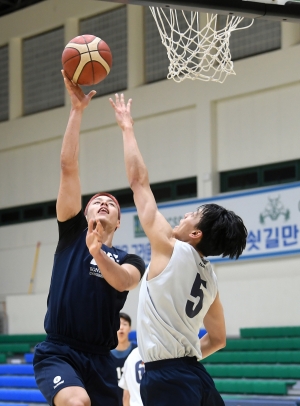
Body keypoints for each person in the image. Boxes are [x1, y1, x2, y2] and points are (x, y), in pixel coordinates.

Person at [110, 93, 248, 406]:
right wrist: (184, 358)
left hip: (167, 377)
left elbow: (138, 182)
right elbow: (219, 339)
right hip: (196, 377)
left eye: (191, 215)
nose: (184, 216)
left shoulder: (170, 248)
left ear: (196, 233)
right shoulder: (210, 278)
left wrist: (127, 127)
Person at [33, 75, 145, 406]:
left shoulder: (130, 259)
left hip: (101, 358)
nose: (104, 202)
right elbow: (68, 167)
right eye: (97, 200)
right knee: (77, 402)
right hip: (59, 350)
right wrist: (77, 111)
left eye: (111, 203)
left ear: (119, 220)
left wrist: (99, 253)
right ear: (84, 213)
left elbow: (124, 281)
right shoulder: (71, 234)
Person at [111, 312, 137, 406]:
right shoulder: (106, 354)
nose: (121, 327)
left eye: (125, 324)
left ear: (130, 328)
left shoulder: (137, 352)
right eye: (118, 324)